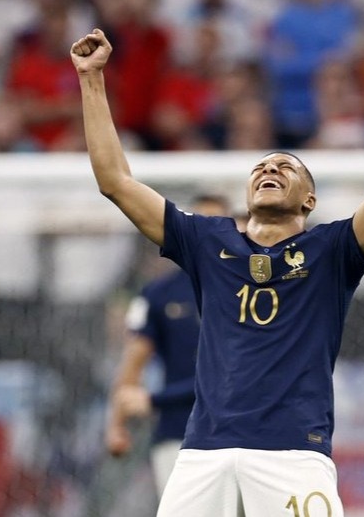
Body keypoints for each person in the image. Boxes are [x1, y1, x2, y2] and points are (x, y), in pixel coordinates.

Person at [71, 27, 364, 517]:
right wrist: (91, 80)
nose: (268, 169)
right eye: (260, 168)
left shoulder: (333, 248)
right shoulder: (207, 241)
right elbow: (116, 182)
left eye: (285, 166)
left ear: (310, 200)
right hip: (202, 454)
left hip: (293, 453)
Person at [105, 194, 231, 498]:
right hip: (179, 431)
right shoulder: (159, 293)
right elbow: (134, 360)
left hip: (241, 430)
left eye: (218, 223)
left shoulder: (252, 287)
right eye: (200, 223)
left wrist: (152, 400)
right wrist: (116, 425)